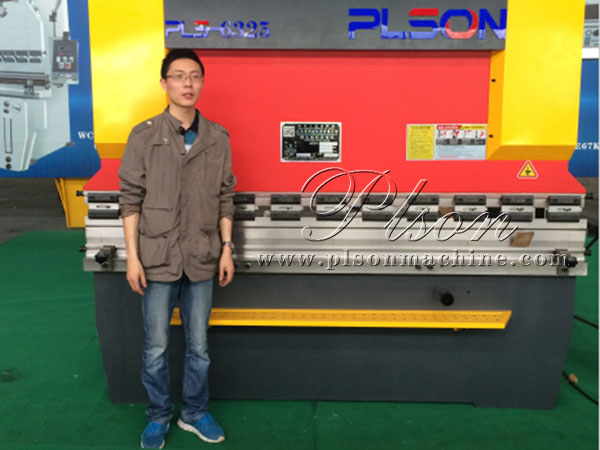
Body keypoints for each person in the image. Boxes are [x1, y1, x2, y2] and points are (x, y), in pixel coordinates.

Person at [118, 49, 236, 449]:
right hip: (157, 257)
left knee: (198, 346)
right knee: (156, 347)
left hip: (202, 255)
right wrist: (133, 258)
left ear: (202, 82)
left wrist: (226, 248)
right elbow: (130, 199)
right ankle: (157, 416)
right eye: (179, 75)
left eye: (195, 76)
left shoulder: (217, 138)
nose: (188, 83)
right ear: (164, 83)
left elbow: (225, 197)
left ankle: (195, 412)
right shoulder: (144, 136)